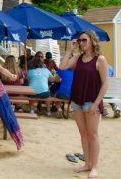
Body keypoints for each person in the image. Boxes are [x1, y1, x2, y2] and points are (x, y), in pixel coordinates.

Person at [59, 29, 109, 178]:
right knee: (83, 133)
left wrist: (96, 103)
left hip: (91, 101)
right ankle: (87, 163)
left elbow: (105, 83)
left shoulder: (100, 59)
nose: (81, 43)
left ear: (92, 41)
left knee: (93, 134)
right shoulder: (79, 57)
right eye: (80, 40)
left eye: (84, 40)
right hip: (77, 100)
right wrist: (70, 50)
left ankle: (94, 166)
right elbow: (62, 67)